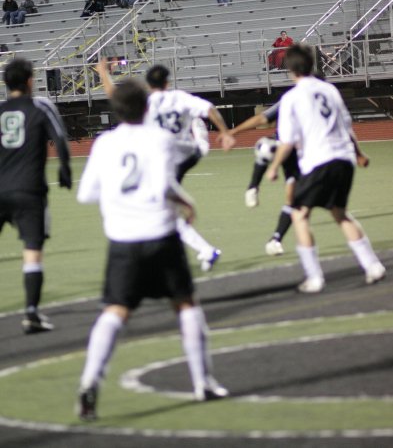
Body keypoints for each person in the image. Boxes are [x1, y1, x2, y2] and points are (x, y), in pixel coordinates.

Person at [76, 80, 229, 420]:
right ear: (147, 107)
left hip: (122, 241)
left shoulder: (104, 143)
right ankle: (203, 382)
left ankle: (89, 381)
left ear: (115, 110)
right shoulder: (159, 139)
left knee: (115, 310)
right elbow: (163, 185)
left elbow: (86, 194)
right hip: (160, 235)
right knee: (186, 304)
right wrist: (185, 201)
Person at [266, 43, 384, 293]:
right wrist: (359, 153)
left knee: (299, 215)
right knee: (340, 213)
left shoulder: (291, 98)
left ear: (289, 68)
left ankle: (314, 277)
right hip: (344, 159)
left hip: (319, 161)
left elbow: (287, 142)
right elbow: (347, 125)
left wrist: (274, 166)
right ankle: (373, 265)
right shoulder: (330, 90)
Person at [96, 60, 235, 271]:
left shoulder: (146, 102)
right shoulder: (179, 97)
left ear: (148, 84)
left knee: (161, 208)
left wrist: (103, 73)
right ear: (167, 82)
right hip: (186, 155)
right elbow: (209, 109)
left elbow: (113, 94)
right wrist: (224, 132)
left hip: (164, 159)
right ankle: (199, 139)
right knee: (162, 207)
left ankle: (202, 251)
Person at [0, 59, 72, 333]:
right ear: (30, 80)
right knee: (32, 252)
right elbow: (60, 138)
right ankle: (31, 313)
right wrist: (64, 169)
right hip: (30, 191)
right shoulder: (40, 106)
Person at [230, 102, 300, 256]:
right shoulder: (291, 98)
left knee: (295, 200)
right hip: (286, 148)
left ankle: (275, 240)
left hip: (307, 153)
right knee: (266, 147)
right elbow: (263, 118)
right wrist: (234, 131)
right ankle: (252, 188)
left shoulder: (322, 99)